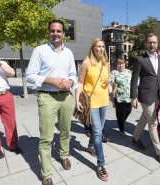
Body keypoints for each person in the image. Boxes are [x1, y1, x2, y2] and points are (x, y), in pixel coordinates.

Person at [25, 19, 77, 185]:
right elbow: (30, 75)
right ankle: (46, 173)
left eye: (59, 31)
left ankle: (64, 155)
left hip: (66, 96)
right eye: (53, 31)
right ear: (49, 32)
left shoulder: (68, 53)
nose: (56, 34)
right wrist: (51, 80)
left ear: (63, 34)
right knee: (46, 137)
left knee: (65, 130)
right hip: (47, 97)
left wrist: (70, 81)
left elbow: (73, 75)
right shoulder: (39, 51)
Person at [130, 34, 160, 167]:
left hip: (157, 94)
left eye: (154, 42)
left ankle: (136, 138)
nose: (152, 45)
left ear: (157, 43)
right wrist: (133, 97)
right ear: (146, 44)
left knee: (145, 118)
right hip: (146, 95)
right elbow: (134, 79)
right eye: (149, 43)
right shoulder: (140, 59)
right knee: (152, 122)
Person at [76, 38, 110, 181]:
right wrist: (77, 99)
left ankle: (91, 145)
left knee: (99, 129)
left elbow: (107, 79)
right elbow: (80, 82)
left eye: (103, 47)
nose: (101, 49)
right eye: (98, 47)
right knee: (97, 132)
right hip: (91, 103)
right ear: (93, 48)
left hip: (104, 101)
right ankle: (101, 164)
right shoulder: (86, 63)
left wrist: (110, 82)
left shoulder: (106, 63)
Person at [110, 58, 132, 136]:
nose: (121, 65)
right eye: (119, 64)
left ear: (125, 64)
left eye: (122, 63)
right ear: (116, 65)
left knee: (129, 110)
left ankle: (122, 121)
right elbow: (110, 82)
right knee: (120, 113)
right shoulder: (114, 72)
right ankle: (121, 129)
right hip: (118, 97)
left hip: (128, 96)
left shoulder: (129, 72)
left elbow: (134, 83)